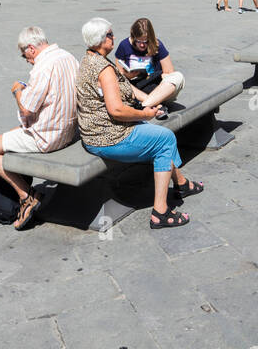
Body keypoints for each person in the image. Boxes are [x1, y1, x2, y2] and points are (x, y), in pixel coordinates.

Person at [77, 18, 203, 230]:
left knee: (156, 134)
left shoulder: (89, 60)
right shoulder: (104, 69)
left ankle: (181, 184)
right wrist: (144, 114)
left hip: (95, 132)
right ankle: (160, 212)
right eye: (110, 34)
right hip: (108, 136)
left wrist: (145, 105)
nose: (114, 37)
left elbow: (122, 90)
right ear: (101, 40)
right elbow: (116, 110)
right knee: (165, 140)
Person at [0, 26, 78, 230]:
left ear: (31, 48)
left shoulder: (42, 68)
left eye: (24, 53)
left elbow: (26, 110)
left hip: (47, 137)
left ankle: (26, 196)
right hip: (69, 131)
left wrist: (18, 90)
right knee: (13, 132)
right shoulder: (68, 57)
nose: (25, 58)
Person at [114, 18, 185, 113]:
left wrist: (164, 75)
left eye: (146, 42)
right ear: (133, 36)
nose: (142, 45)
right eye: (139, 41)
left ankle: (143, 106)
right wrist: (130, 75)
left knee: (178, 77)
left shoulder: (157, 45)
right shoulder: (124, 45)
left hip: (157, 89)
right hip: (135, 90)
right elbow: (119, 76)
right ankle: (155, 104)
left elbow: (169, 72)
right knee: (118, 82)